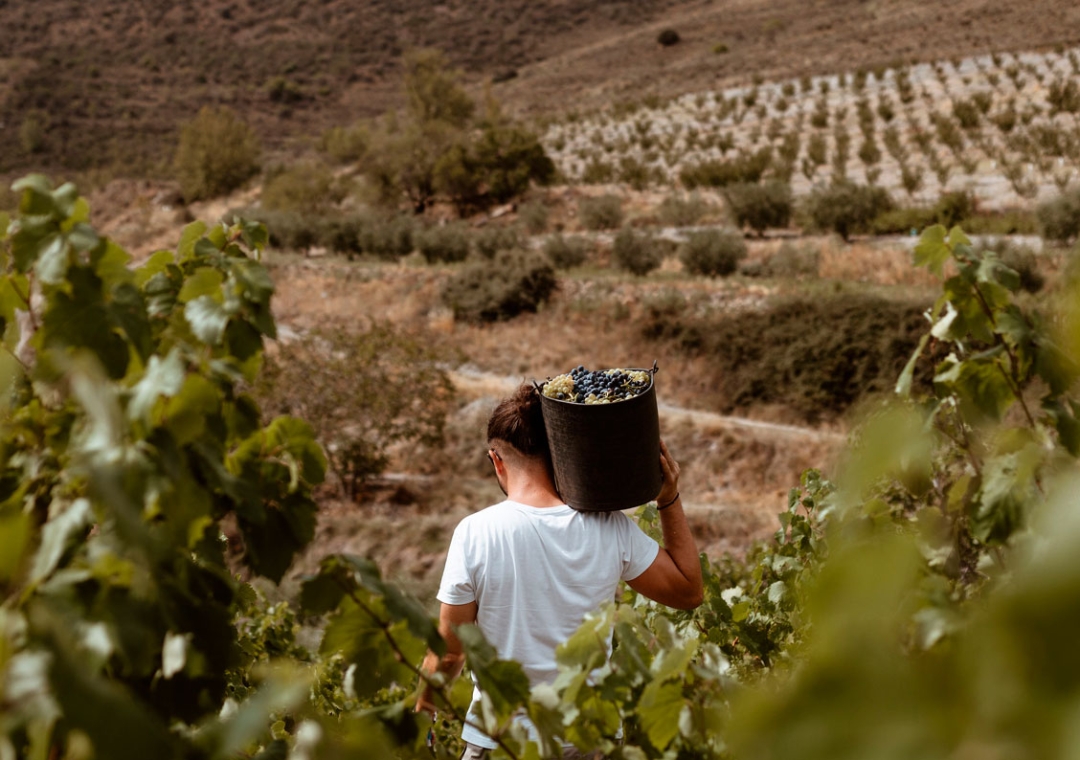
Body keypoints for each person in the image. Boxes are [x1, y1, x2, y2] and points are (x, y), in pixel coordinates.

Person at [416, 383, 703, 759]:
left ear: (496, 461)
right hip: (589, 740)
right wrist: (669, 499)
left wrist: (423, 714)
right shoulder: (609, 525)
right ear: (559, 450)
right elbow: (688, 592)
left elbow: (450, 654)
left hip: (504, 742)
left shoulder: (476, 532)